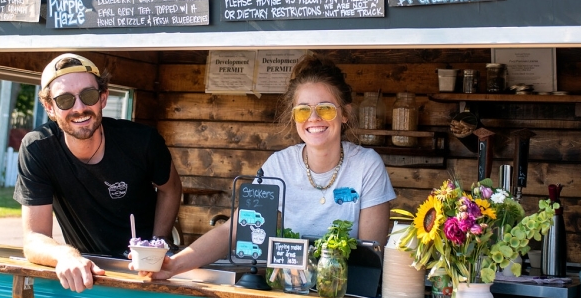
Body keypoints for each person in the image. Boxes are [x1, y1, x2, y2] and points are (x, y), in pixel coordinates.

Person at [142, 54, 395, 279]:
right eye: (303, 110)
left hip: (343, 293)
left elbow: (370, 254)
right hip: (288, 289)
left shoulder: (366, 165)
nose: (313, 118)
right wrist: (174, 265)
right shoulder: (279, 165)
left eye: (326, 109)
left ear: (345, 114)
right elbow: (235, 228)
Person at [14, 53, 182, 292]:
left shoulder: (142, 141)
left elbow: (171, 188)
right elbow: (33, 239)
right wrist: (65, 256)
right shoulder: (38, 148)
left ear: (103, 98)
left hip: (150, 274)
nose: (80, 108)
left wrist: (158, 243)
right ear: (50, 108)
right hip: (89, 271)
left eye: (88, 96)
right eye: (64, 101)